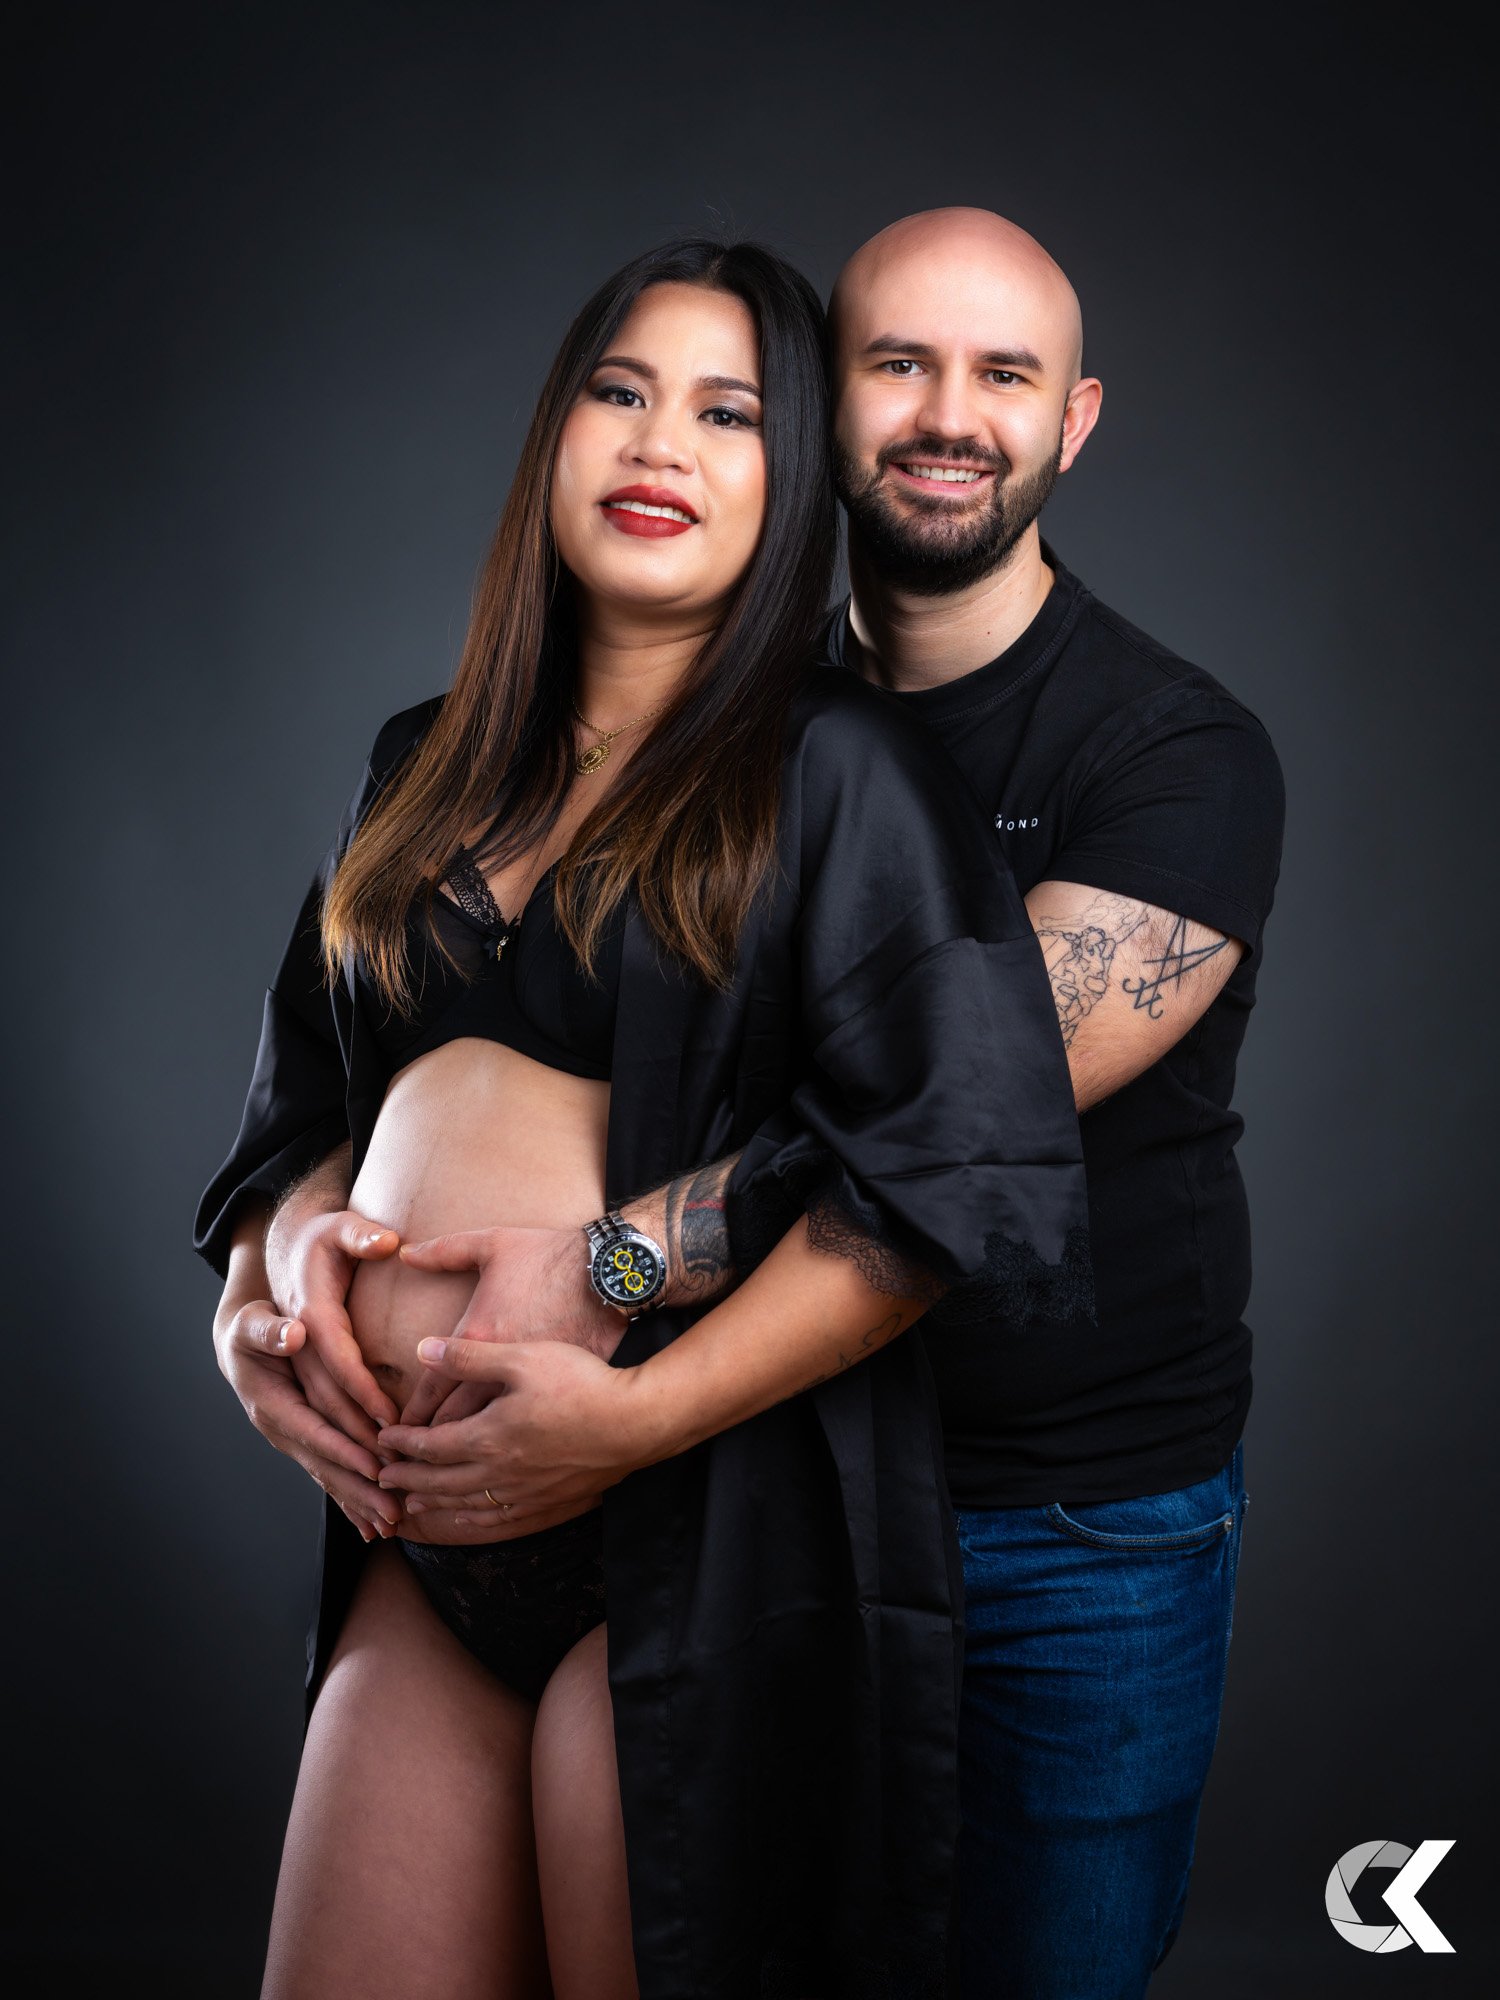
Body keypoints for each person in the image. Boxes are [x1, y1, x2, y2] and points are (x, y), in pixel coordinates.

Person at [255, 208, 1285, 1996]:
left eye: (1005, 372)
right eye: (898, 361)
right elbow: (305, 1109)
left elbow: (943, 1137)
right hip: (507, 1501)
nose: (949, 411)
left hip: (1013, 1508)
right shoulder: (469, 757)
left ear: (1076, 417)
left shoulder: (1120, 759)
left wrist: (617, 1273)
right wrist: (262, 1305)